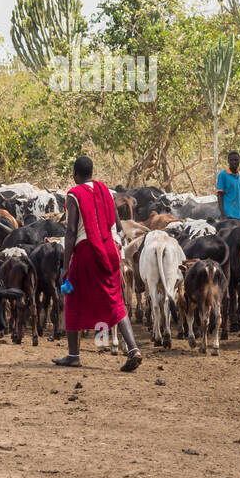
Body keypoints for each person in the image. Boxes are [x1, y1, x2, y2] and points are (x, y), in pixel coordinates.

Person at [53, 156, 142, 372]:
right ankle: (133, 349)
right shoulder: (106, 192)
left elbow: (72, 230)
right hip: (110, 251)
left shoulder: (74, 195)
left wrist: (65, 266)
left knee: (71, 295)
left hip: (87, 252)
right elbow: (116, 223)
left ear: (75, 175)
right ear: (92, 172)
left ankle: (73, 355)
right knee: (115, 299)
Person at [216, 150, 240, 219]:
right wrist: (223, 214)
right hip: (229, 215)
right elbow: (219, 195)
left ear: (239, 161)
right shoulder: (223, 174)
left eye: (236, 160)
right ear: (228, 161)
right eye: (231, 160)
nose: (234, 162)